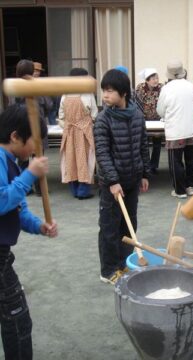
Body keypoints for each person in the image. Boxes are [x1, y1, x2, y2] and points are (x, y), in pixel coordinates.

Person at [0, 104, 58, 359]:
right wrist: (29, 176)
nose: (36, 149)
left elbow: (18, 209)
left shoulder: (11, 161)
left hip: (2, 256)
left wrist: (39, 226)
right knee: (17, 319)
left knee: (14, 315)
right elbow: (2, 201)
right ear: (15, 136)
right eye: (34, 141)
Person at [94, 69, 150, 285]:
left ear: (123, 92)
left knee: (129, 225)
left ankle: (124, 263)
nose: (105, 96)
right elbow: (102, 153)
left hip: (132, 180)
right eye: (104, 91)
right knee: (109, 227)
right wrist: (113, 181)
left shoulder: (137, 115)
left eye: (110, 91)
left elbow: (142, 146)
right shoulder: (103, 119)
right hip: (112, 185)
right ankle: (108, 270)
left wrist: (144, 173)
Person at [156, 59, 193, 199]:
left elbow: (160, 111)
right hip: (192, 128)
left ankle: (180, 190)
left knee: (176, 161)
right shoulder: (191, 86)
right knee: (191, 159)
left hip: (175, 130)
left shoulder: (166, 88)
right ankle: (190, 187)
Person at [11, 59, 51, 196]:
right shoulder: (36, 86)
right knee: (37, 156)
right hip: (34, 124)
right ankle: (40, 188)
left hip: (21, 125)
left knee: (23, 158)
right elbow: (48, 105)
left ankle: (26, 187)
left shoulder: (15, 85)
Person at [59, 67, 98, 199]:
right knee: (85, 159)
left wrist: (67, 125)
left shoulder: (65, 94)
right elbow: (94, 114)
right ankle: (83, 191)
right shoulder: (88, 94)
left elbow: (61, 115)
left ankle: (74, 189)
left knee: (71, 160)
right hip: (84, 131)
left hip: (69, 131)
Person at [135, 68, 163, 174]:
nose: (156, 80)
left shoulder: (161, 88)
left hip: (158, 120)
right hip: (144, 120)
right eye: (153, 78)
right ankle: (145, 166)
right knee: (144, 143)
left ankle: (154, 166)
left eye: (157, 78)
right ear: (147, 80)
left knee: (157, 144)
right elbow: (137, 104)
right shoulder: (140, 88)